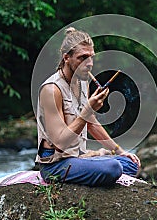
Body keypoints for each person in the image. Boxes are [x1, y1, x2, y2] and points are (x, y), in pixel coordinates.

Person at [35, 27, 141, 187]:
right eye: (82, 57)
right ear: (66, 58)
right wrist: (87, 111)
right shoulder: (51, 90)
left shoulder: (82, 81)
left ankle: (96, 162)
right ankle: (98, 163)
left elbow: (91, 123)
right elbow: (59, 143)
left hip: (77, 159)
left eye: (91, 57)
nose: (89, 63)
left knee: (130, 162)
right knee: (112, 168)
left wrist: (119, 151)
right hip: (55, 165)